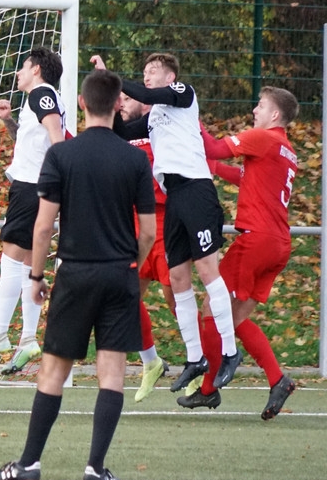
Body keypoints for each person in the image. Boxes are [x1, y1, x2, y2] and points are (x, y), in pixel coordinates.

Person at [0, 68, 156, 480]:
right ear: (118, 105)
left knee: (53, 372)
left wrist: (36, 276)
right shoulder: (135, 159)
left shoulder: (62, 155)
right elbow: (149, 234)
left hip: (75, 274)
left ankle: (29, 464)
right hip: (119, 275)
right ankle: (96, 468)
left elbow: (43, 227)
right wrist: (128, 265)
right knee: (112, 375)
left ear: (81, 104)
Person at [91, 53, 243, 392]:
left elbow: (147, 95)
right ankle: (195, 358)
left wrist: (110, 78)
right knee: (177, 278)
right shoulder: (154, 117)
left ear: (170, 76)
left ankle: (231, 352)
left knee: (207, 270)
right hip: (174, 196)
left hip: (196, 189)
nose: (147, 76)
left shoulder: (183, 93)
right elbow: (122, 133)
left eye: (153, 71)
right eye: (144, 72)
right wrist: (111, 107)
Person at [177, 87, 300, 419]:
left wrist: (190, 115)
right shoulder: (286, 149)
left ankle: (208, 390)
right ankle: (278, 380)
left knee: (211, 307)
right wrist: (213, 167)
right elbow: (245, 176)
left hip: (256, 241)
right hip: (278, 244)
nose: (254, 111)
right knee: (234, 320)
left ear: (275, 115)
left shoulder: (264, 138)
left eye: (260, 106)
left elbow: (214, 147)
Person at [0, 46, 67, 373]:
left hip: (31, 187)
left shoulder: (41, 94)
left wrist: (63, 177)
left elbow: (57, 137)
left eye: (23, 67)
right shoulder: (38, 99)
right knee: (27, 263)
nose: (18, 73)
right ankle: (27, 339)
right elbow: (32, 141)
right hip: (36, 185)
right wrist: (8, 120)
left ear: (36, 69)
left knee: (10, 258)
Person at [117, 93, 173, 403]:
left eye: (128, 98)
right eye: (119, 99)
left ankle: (206, 363)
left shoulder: (161, 130)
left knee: (178, 302)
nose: (123, 103)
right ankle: (151, 362)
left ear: (146, 104)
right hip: (134, 227)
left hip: (164, 226)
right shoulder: (121, 136)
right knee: (126, 298)